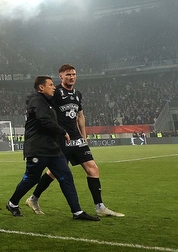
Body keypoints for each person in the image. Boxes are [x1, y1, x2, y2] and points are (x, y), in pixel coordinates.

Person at [26, 65, 124, 217]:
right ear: (61, 76)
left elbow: (80, 116)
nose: (71, 77)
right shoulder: (56, 92)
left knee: (93, 169)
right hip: (61, 138)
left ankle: (100, 207)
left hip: (77, 138)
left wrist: (84, 136)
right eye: (68, 74)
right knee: (53, 172)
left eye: (73, 74)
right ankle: (33, 198)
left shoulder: (78, 94)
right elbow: (42, 102)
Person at [6, 76, 99, 221]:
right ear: (41, 87)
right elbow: (44, 120)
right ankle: (12, 203)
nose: (54, 87)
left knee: (66, 177)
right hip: (38, 148)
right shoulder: (37, 100)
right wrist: (62, 131)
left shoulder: (49, 102)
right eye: (50, 85)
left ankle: (77, 212)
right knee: (32, 178)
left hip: (53, 149)